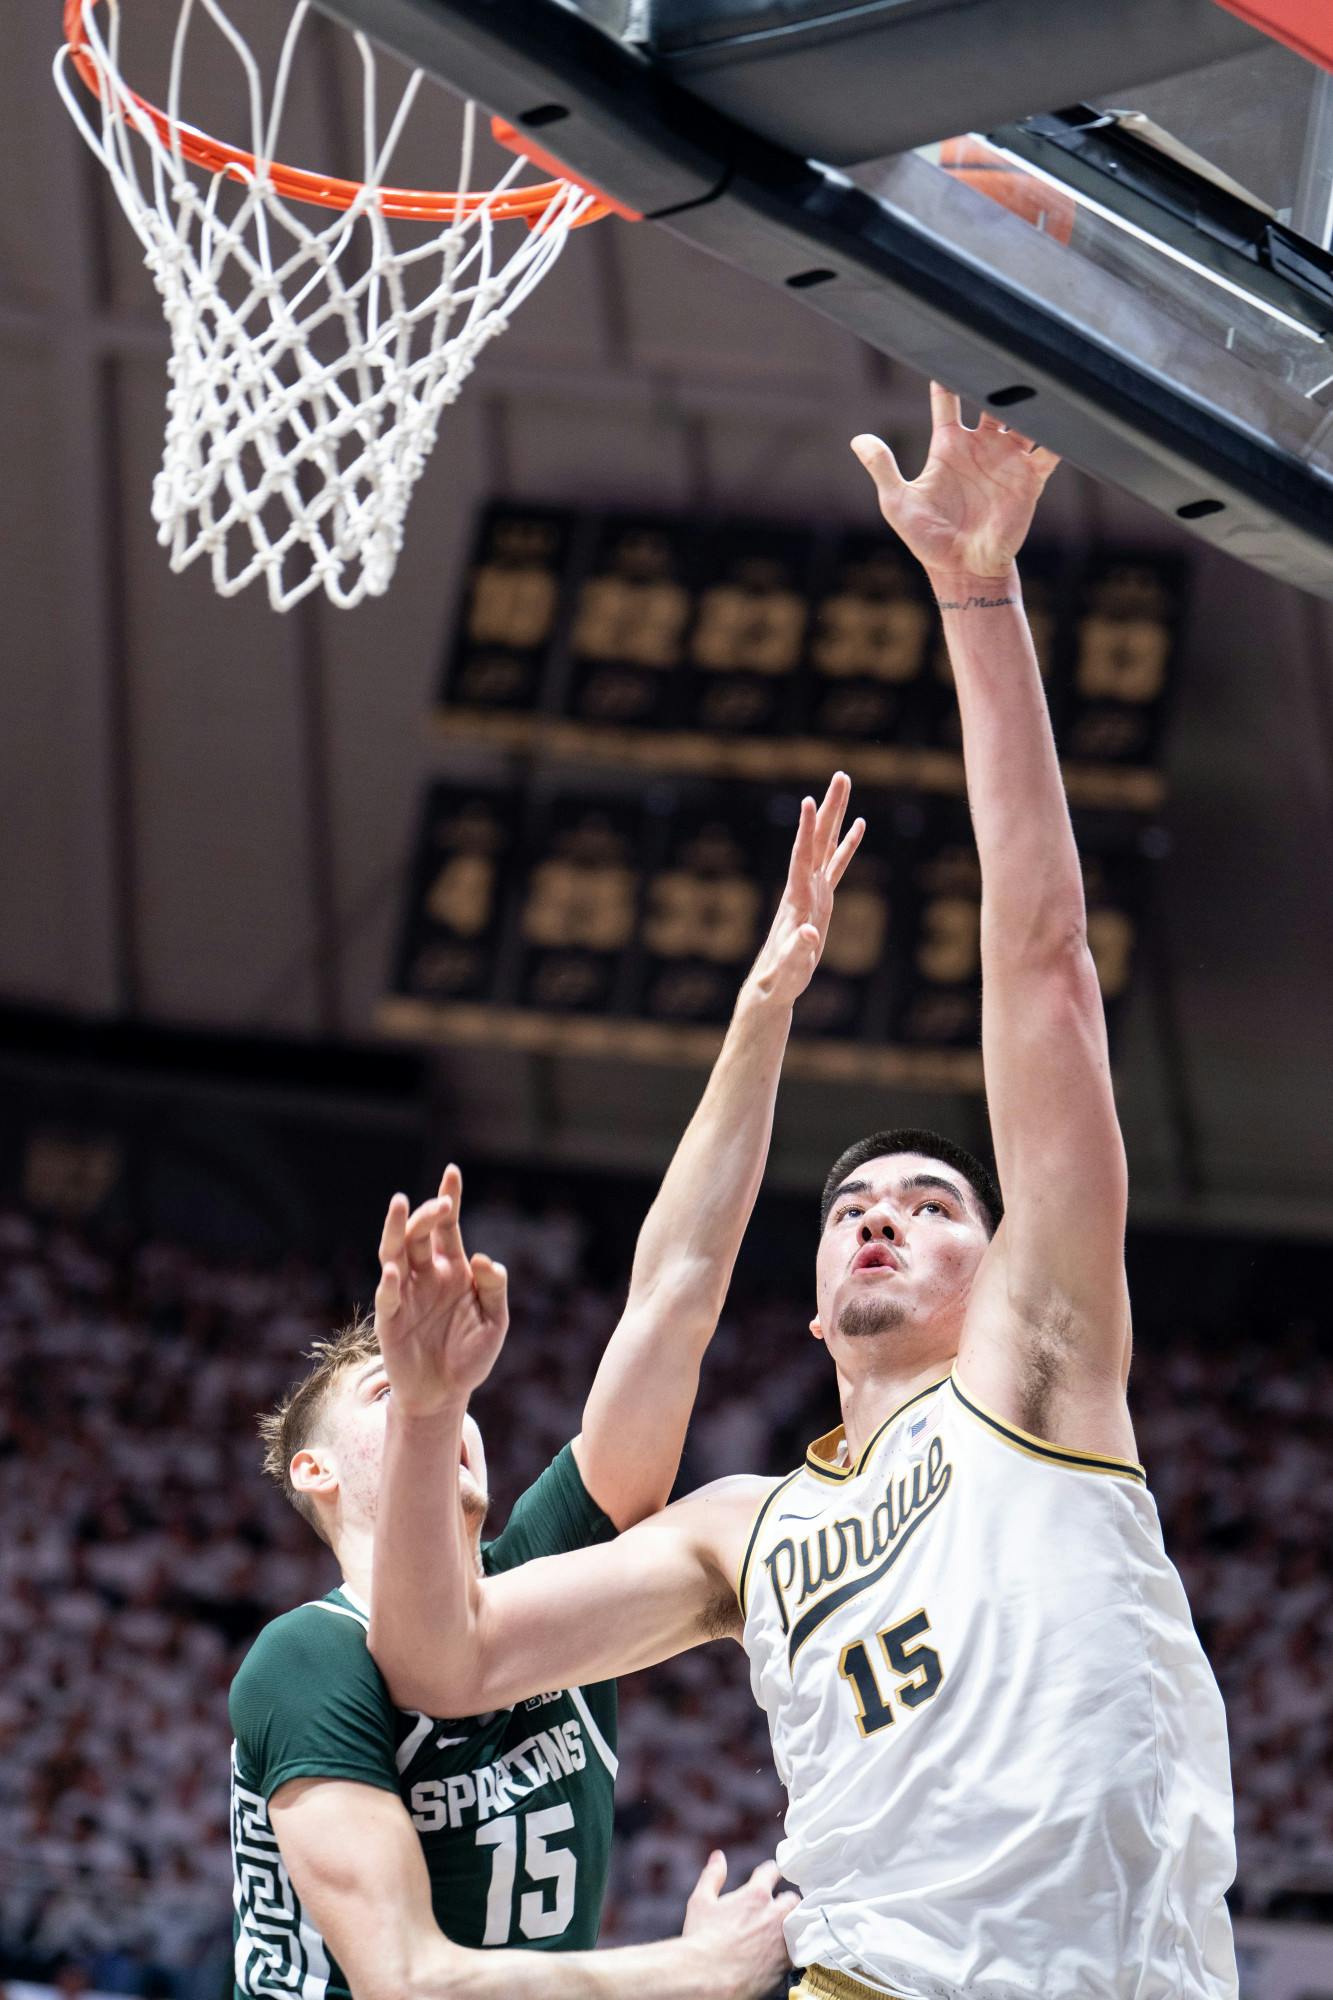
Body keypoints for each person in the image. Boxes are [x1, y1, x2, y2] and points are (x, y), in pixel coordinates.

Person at [366, 389, 1239, 2000]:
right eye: (853, 1206)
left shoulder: (1038, 1376)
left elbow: (1045, 972)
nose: (881, 1212)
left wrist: (978, 594)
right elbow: (445, 1657)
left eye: (932, 1200)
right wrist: (426, 1416)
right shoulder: (743, 1530)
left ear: (1010, 1264)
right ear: (816, 1291)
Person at [228, 775, 864, 2000]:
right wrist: (689, 1971)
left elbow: (673, 1300)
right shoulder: (305, 1661)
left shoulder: (551, 1573)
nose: (440, 1406)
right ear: (312, 1470)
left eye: (446, 1392)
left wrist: (758, 1013)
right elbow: (406, 1981)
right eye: (383, 1392)